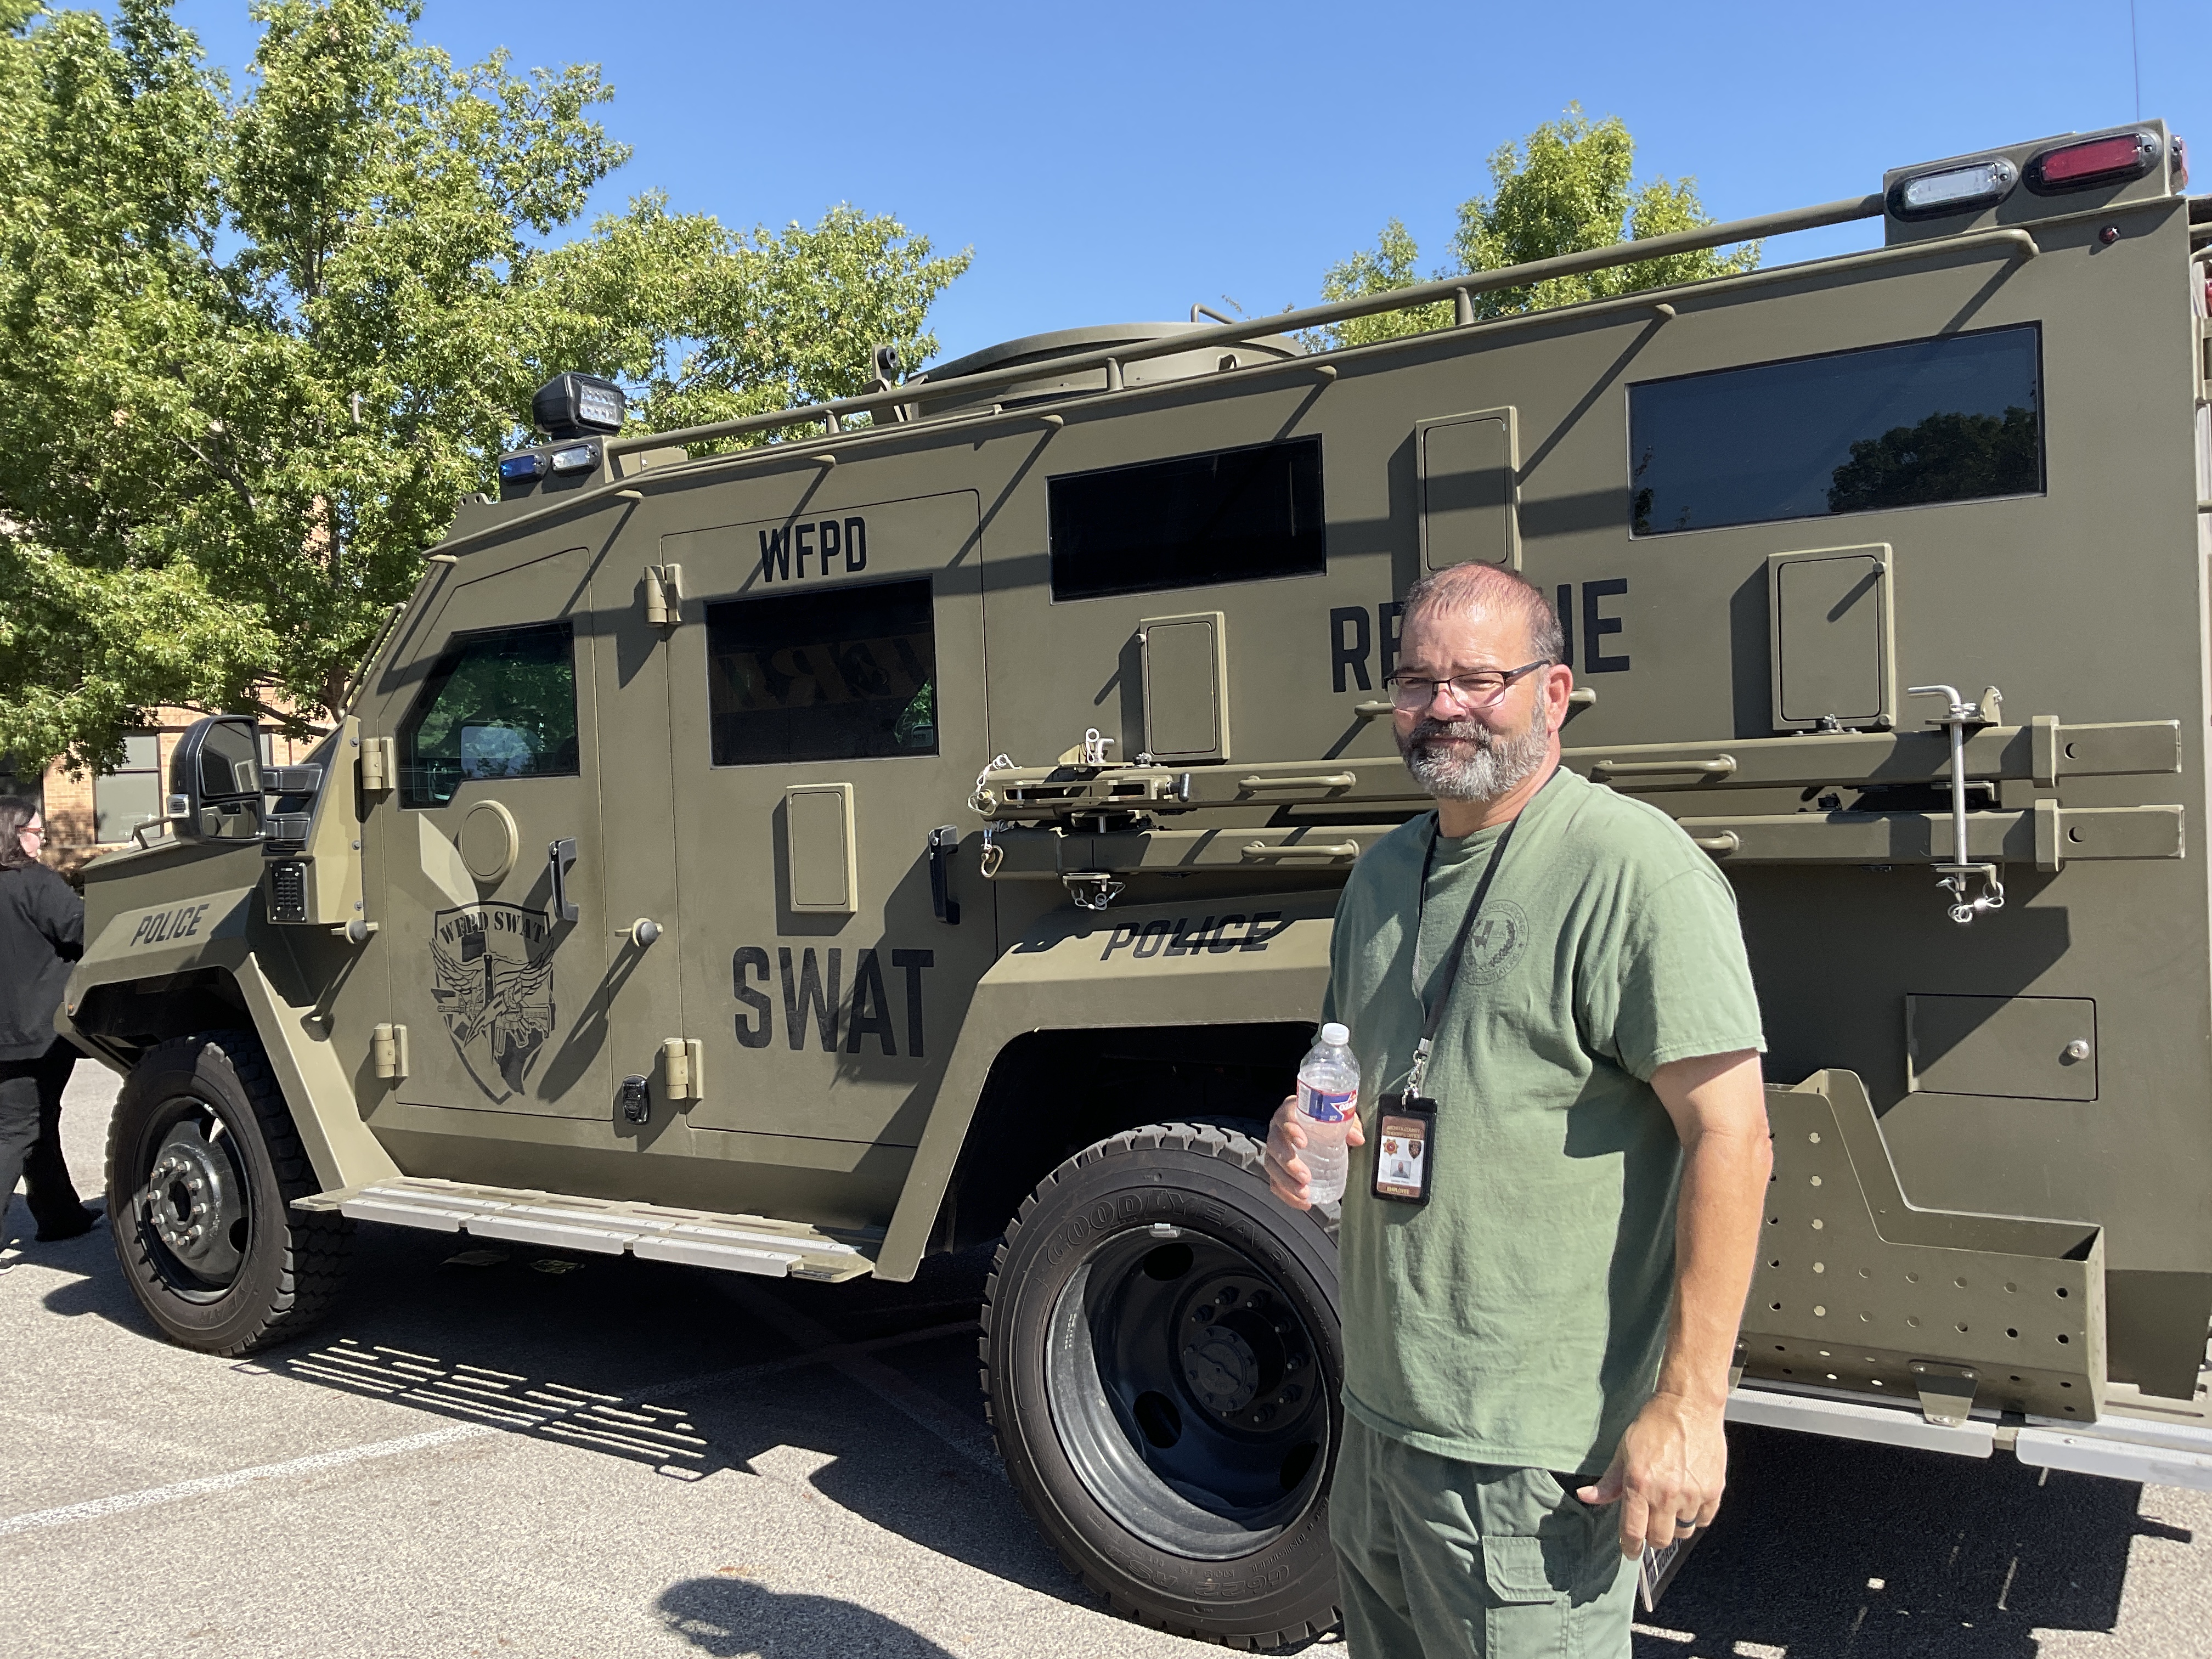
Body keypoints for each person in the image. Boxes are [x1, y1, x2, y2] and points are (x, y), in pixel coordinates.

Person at [1266, 564, 1771, 1659]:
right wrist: (1298, 1130)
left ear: (1553, 692)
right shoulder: (1380, 876)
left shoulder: (1632, 870)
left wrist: (1691, 1405)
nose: (1442, 706)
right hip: (1380, 1423)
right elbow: (1355, 1078)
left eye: (1477, 680)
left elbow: (1732, 1135)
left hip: (1532, 1458)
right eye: (1415, 681)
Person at [0, 797, 98, 1244]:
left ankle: (60, 1215)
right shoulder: (34, 880)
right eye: (36, 833)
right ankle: (58, 1215)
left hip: (10, 1030)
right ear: (14, 833)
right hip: (38, 1029)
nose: (41, 841)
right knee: (17, 1128)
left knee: (37, 1118)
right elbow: (79, 930)